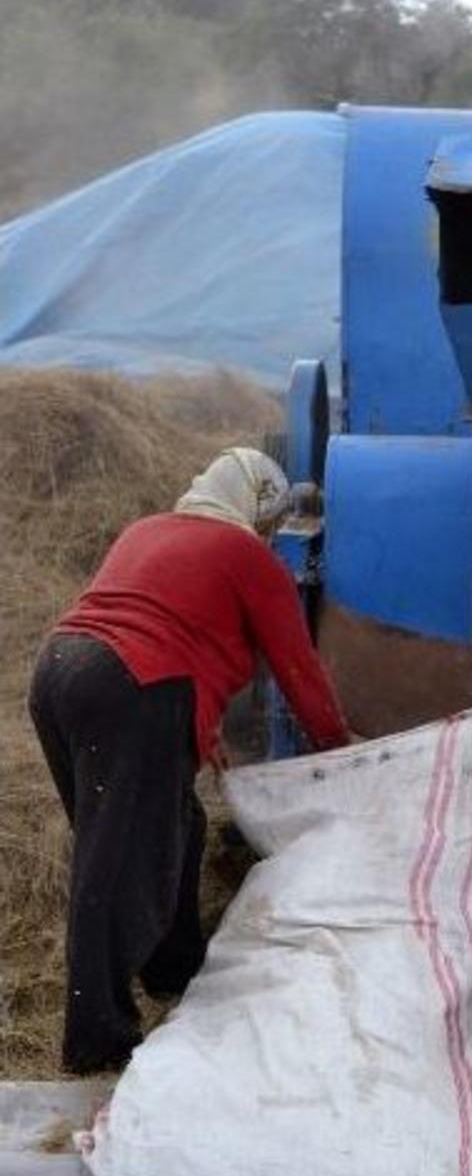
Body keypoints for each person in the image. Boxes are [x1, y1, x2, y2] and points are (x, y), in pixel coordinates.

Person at [28, 447, 351, 1075]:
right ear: (255, 507)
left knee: (179, 824)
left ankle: (174, 967)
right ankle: (96, 1037)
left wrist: (197, 731)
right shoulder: (247, 556)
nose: (264, 533)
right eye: (267, 520)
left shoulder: (147, 528)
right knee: (112, 862)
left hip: (60, 671)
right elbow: (297, 669)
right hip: (133, 683)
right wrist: (339, 750)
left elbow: (166, 618)